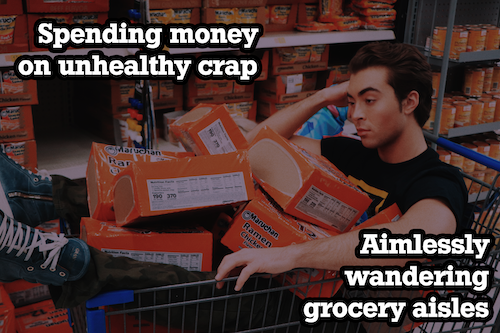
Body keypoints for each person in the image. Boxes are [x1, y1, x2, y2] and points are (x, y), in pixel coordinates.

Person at [0, 41, 468, 332]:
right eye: (351, 101)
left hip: (331, 307)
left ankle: (69, 262)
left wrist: (289, 255)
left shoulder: (435, 181)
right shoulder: (350, 152)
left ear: (410, 102)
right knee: (210, 181)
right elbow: (256, 146)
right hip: (281, 257)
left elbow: (418, 240)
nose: (355, 114)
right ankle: (34, 196)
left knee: (213, 284)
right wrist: (326, 95)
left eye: (369, 100)